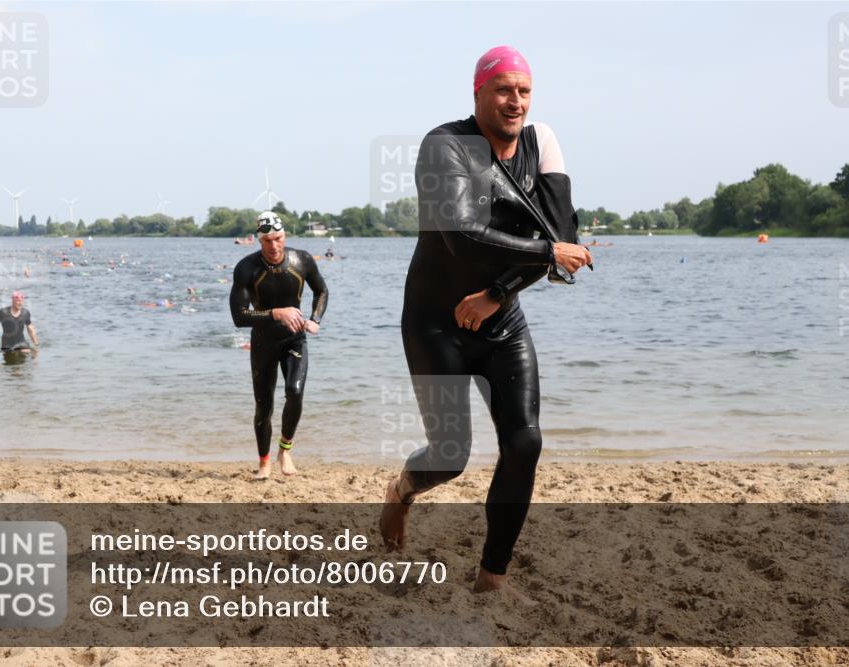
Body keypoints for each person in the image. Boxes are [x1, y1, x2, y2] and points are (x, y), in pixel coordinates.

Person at [379, 46, 593, 599]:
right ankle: (401, 489)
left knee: (524, 444)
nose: (514, 101)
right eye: (503, 90)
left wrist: (499, 292)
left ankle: (491, 576)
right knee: (449, 457)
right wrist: (548, 254)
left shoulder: (541, 143)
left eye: (523, 91)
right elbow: (462, 233)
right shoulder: (446, 145)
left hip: (501, 321)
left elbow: (559, 237)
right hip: (434, 323)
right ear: (477, 94)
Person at [230, 211, 329, 479]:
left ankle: (285, 450)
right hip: (263, 341)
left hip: (294, 339)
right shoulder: (246, 268)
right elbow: (239, 317)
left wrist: (315, 319)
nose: (274, 246)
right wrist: (277, 313)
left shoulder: (302, 260)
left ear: (285, 236)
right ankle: (264, 463)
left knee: (294, 392)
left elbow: (321, 290)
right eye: (267, 241)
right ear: (258, 241)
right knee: (264, 406)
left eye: (278, 238)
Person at [0, 291, 38, 356]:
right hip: (7, 345)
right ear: (13, 300)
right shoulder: (3, 312)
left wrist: (36, 344)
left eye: (22, 301)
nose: (20, 303)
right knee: (10, 362)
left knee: (26, 354)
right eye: (18, 301)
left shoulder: (25, 313)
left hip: (22, 343)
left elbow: (31, 329)